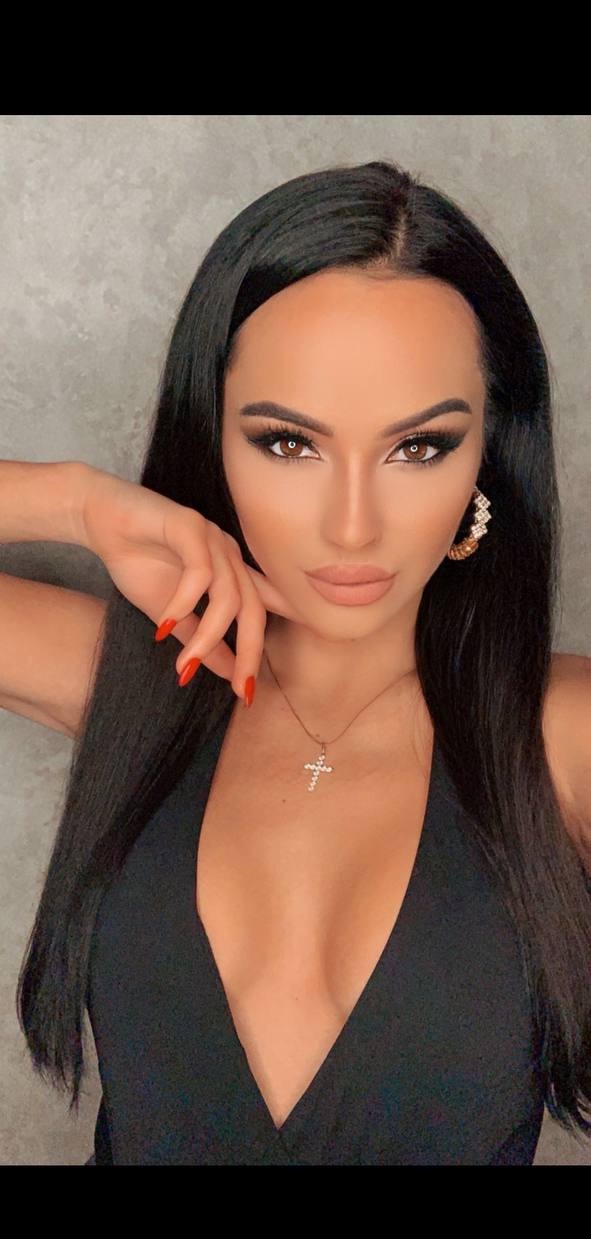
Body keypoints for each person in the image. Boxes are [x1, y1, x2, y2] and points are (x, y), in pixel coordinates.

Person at [5, 159, 591, 1164]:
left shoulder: (562, 734)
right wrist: (76, 503)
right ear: (213, 438)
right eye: (287, 443)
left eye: (417, 448)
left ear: (488, 455)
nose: (352, 525)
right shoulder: (142, 681)